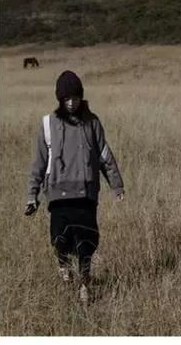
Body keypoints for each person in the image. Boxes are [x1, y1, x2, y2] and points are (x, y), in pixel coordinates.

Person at [25, 70, 125, 303]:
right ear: (59, 99)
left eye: (75, 98)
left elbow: (105, 156)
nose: (71, 103)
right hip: (58, 195)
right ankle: (62, 264)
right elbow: (38, 163)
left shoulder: (92, 122)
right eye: (66, 98)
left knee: (87, 240)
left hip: (86, 193)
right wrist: (32, 195)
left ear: (81, 97)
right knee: (59, 239)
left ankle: (84, 283)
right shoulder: (48, 125)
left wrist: (116, 187)